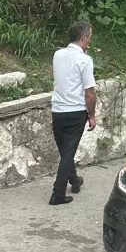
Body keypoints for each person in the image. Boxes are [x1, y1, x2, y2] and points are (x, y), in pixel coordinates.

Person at [49, 21, 96, 206]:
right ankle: (57, 194)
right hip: (76, 112)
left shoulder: (58, 55)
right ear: (84, 38)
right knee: (67, 154)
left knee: (65, 151)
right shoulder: (85, 60)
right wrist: (91, 115)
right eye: (89, 37)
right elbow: (90, 92)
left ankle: (75, 180)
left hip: (58, 110)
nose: (90, 40)